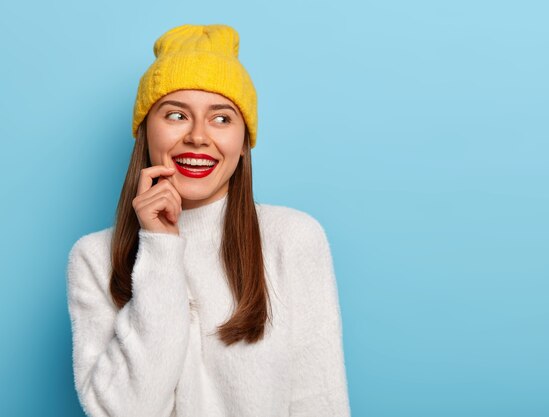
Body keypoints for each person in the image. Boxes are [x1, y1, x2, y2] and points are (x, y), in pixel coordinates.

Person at [65, 23, 351, 417]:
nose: (198, 137)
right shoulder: (94, 258)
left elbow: (320, 401)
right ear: (146, 132)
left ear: (243, 143)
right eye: (177, 115)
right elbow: (127, 411)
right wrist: (161, 247)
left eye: (221, 119)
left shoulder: (293, 238)